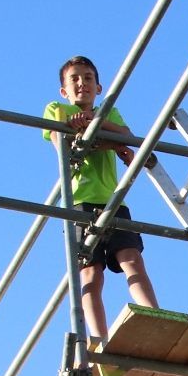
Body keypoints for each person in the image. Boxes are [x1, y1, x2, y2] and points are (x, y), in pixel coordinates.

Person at [43, 55, 158, 345]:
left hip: (113, 200)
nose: (82, 83)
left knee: (132, 260)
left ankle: (154, 318)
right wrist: (106, 140)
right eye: (75, 79)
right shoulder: (57, 109)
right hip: (80, 203)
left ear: (99, 88)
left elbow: (128, 137)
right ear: (64, 90)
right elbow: (64, 146)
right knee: (90, 275)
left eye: (88, 78)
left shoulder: (109, 112)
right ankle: (99, 339)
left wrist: (95, 124)